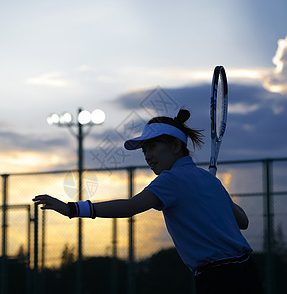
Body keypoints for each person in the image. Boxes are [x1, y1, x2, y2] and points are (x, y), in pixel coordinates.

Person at [33, 109, 263, 294]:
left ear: (174, 146)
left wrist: (72, 208)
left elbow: (131, 206)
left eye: (152, 146)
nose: (147, 155)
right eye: (144, 150)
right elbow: (242, 221)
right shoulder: (208, 180)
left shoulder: (170, 180)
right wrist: (222, 200)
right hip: (246, 271)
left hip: (219, 279)